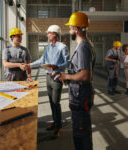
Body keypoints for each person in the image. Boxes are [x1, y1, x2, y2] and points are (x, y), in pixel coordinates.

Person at [58, 12, 95, 150]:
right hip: (79, 95)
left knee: (81, 133)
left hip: (81, 97)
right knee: (80, 131)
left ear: (77, 29)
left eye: (71, 28)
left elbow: (85, 75)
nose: (70, 31)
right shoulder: (83, 45)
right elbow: (79, 71)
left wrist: (67, 77)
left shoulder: (84, 47)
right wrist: (67, 75)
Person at [27, 25, 69, 138]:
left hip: (56, 78)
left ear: (55, 34)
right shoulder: (48, 47)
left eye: (49, 33)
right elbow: (42, 60)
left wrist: (57, 67)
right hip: (47, 77)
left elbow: (67, 63)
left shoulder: (62, 47)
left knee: (56, 102)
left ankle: (58, 127)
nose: (47, 35)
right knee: (51, 102)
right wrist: (28, 65)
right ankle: (55, 122)